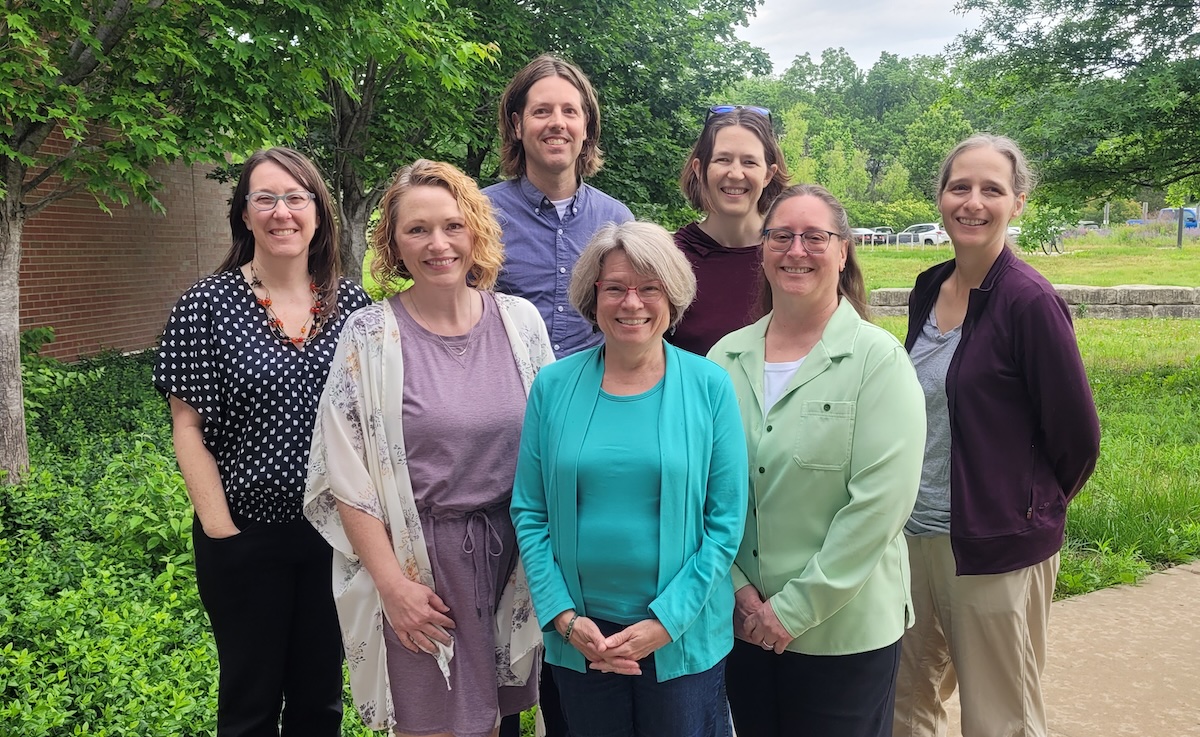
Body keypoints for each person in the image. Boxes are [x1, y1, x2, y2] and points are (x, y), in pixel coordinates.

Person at [304, 160, 553, 737]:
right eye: (417, 229)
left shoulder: (522, 323)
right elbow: (346, 475)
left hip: (515, 558)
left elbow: (554, 447)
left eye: (452, 225)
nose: (438, 244)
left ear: (476, 230)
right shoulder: (369, 336)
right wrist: (393, 587)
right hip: (423, 566)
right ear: (393, 243)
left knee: (499, 722)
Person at [154, 146, 370, 736]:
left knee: (319, 702)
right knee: (249, 706)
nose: (282, 212)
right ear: (244, 215)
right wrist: (223, 534)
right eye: (265, 198)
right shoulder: (204, 307)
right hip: (244, 532)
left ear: (318, 212)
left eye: (296, 198)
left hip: (334, 535)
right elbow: (188, 428)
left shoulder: (352, 306)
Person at [892, 134, 1101, 737]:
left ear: (1019, 203)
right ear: (940, 197)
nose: (973, 202)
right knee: (906, 703)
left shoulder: (1029, 301)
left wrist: (1024, 510)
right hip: (913, 537)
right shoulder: (929, 287)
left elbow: (1077, 436)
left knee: (999, 718)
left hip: (995, 548)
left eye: (992, 189)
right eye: (960, 187)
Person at [511, 221, 748, 737]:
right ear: (592, 297)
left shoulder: (710, 385)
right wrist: (563, 619)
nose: (631, 303)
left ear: (673, 295)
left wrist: (666, 622)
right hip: (582, 638)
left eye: (649, 288)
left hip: (680, 638)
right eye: (615, 287)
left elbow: (725, 521)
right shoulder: (553, 387)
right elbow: (529, 511)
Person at [707, 184, 926, 737]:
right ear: (762, 250)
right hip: (743, 624)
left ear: (844, 249)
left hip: (845, 632)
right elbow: (704, 490)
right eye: (781, 236)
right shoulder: (725, 359)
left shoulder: (879, 360)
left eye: (814, 237)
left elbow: (879, 505)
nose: (796, 250)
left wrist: (791, 612)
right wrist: (739, 592)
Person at [484, 53, 634, 360]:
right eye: (541, 111)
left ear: (586, 126)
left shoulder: (617, 220)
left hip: (592, 397)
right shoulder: (480, 215)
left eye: (569, 111)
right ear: (517, 126)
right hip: (506, 399)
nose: (557, 123)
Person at [669, 105, 789, 355]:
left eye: (749, 162)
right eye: (723, 159)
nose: (735, 173)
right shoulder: (669, 258)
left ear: (768, 174)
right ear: (699, 170)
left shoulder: (791, 255)